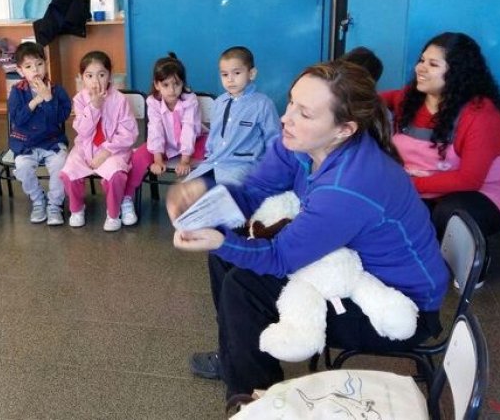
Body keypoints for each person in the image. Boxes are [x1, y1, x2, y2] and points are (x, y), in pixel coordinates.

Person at [167, 61, 449, 414]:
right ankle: (236, 355)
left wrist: (221, 240)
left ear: (344, 129)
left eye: (305, 113)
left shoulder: (350, 185)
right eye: (291, 103)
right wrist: (203, 195)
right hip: (348, 267)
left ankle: (252, 401)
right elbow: (255, 191)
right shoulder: (300, 143)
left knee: (244, 285)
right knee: (227, 257)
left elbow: (280, 257)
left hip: (397, 305)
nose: (286, 118)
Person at [381, 32, 500, 276]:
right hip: (425, 185)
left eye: (433, 64)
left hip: (484, 193)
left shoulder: (481, 116)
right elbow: (369, 102)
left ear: (457, 72)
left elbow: (469, 180)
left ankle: (476, 258)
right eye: (422, 60)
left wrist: (407, 185)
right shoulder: (410, 98)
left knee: (451, 213)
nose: (420, 68)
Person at [122, 52, 207, 225]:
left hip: (192, 143)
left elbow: (189, 130)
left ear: (183, 83)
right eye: (166, 85)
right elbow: (155, 130)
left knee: (214, 151)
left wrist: (185, 160)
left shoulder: (190, 100)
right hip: (165, 145)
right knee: (138, 157)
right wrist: (158, 159)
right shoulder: (152, 102)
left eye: (177, 84)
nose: (172, 90)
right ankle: (127, 198)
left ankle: (206, 199)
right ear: (157, 84)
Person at [58, 51, 138, 231]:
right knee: (68, 172)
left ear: (110, 75)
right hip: (85, 147)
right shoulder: (79, 99)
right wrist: (94, 106)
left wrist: (105, 152)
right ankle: (77, 209)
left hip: (113, 149)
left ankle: (113, 213)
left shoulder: (119, 100)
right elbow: (82, 130)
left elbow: (128, 133)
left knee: (116, 175)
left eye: (101, 75)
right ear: (82, 78)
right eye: (89, 76)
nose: (96, 81)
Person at [186, 46, 280, 186]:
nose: (230, 79)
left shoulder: (263, 104)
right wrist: (208, 156)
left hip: (242, 169)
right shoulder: (219, 103)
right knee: (183, 192)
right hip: (213, 164)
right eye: (224, 75)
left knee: (224, 196)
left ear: (251, 73)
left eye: (236, 73)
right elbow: (213, 137)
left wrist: (269, 172)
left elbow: (274, 142)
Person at [7, 41, 72, 226]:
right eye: (28, 66)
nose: (35, 70)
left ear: (46, 64)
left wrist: (49, 98)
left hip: (52, 141)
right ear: (20, 71)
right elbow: (17, 120)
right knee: (22, 167)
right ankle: (37, 199)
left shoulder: (57, 90)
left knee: (61, 164)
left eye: (39, 64)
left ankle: (55, 205)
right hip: (25, 143)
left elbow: (60, 117)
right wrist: (36, 100)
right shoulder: (17, 92)